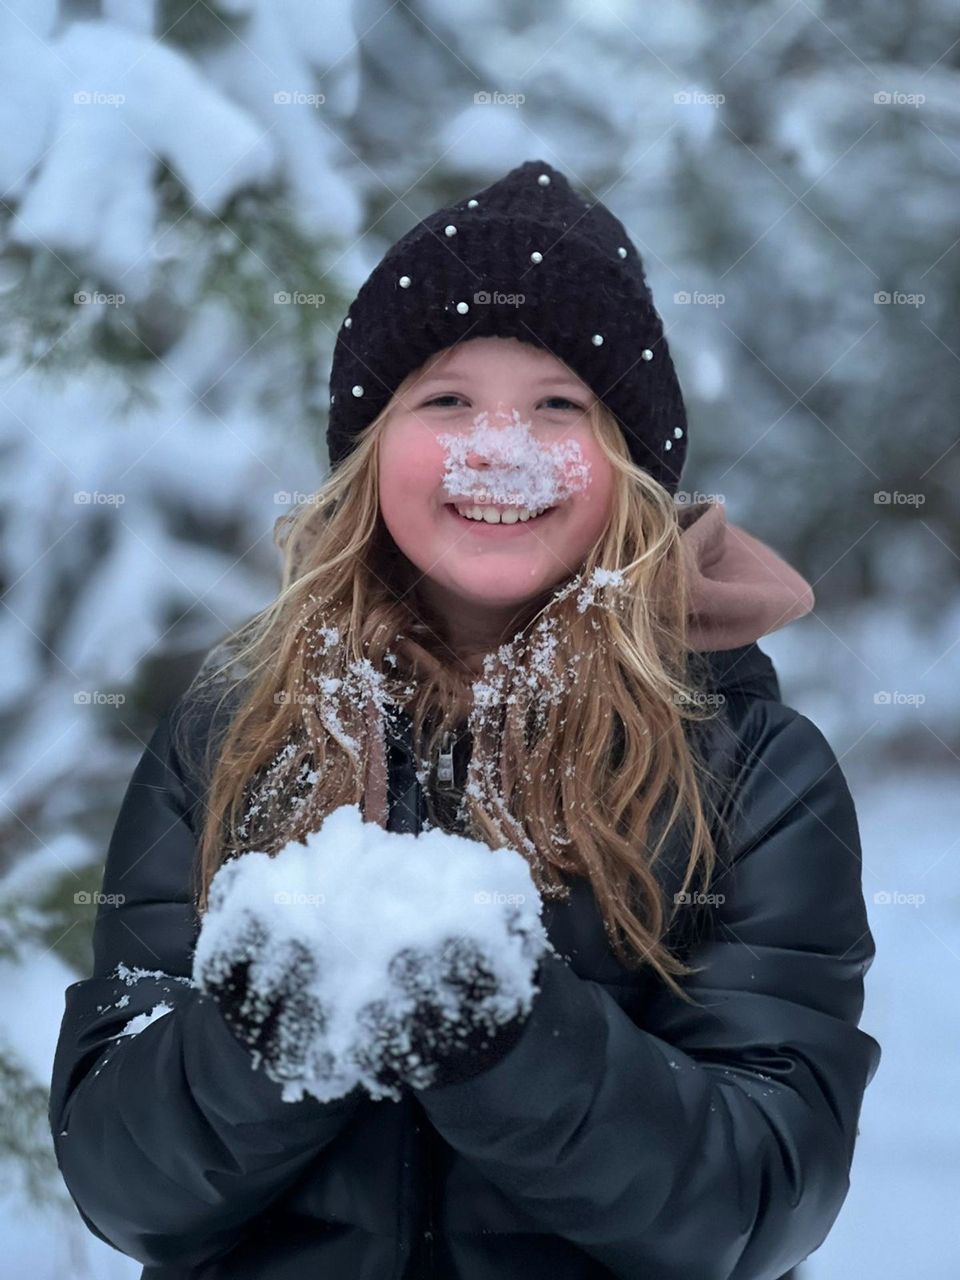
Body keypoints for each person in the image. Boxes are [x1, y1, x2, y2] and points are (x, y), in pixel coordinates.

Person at [49, 159, 881, 1280]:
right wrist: (257, 1034)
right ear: (370, 451)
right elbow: (119, 1181)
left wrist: (507, 1037)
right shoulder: (228, 735)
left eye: (558, 406)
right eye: (446, 401)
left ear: (630, 463)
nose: (502, 447)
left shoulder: (754, 771)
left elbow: (757, 1200)